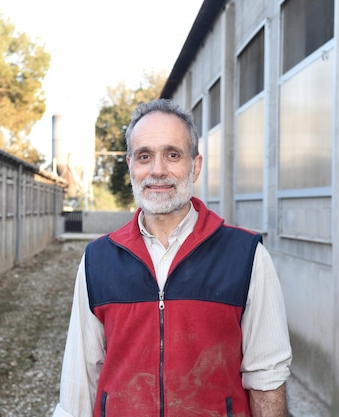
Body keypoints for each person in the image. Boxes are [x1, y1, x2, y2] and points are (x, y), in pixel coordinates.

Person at [52, 99, 292, 417]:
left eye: (172, 154)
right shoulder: (98, 261)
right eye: (144, 156)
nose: (157, 170)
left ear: (195, 166)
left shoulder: (246, 257)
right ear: (130, 166)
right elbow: (80, 381)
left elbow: (267, 379)